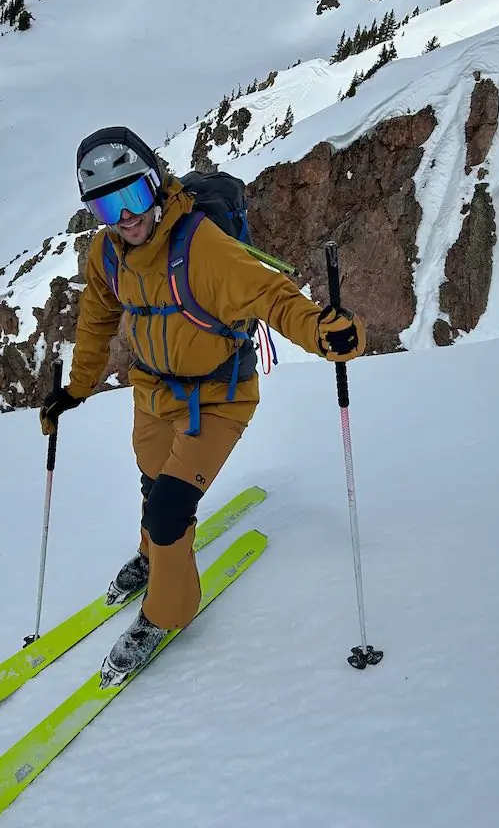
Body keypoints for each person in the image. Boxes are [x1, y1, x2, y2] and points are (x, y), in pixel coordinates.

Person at [39, 125, 367, 686]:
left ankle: (166, 613)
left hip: (219, 396)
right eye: (106, 206)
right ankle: (154, 558)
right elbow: (96, 320)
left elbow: (270, 295)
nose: (125, 218)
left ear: (156, 185)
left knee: (168, 512)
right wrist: (77, 388)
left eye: (134, 197)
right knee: (152, 486)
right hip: (152, 393)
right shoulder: (106, 255)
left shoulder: (200, 246)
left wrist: (323, 331)